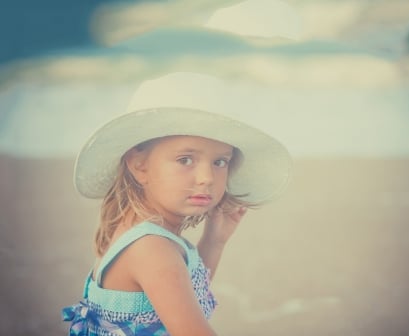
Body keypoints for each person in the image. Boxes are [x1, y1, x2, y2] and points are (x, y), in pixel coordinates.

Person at [62, 76, 292, 336]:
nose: (206, 178)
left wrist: (214, 241)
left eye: (219, 162)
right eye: (185, 159)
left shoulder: (145, 234)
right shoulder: (151, 248)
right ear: (139, 165)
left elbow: (187, 296)